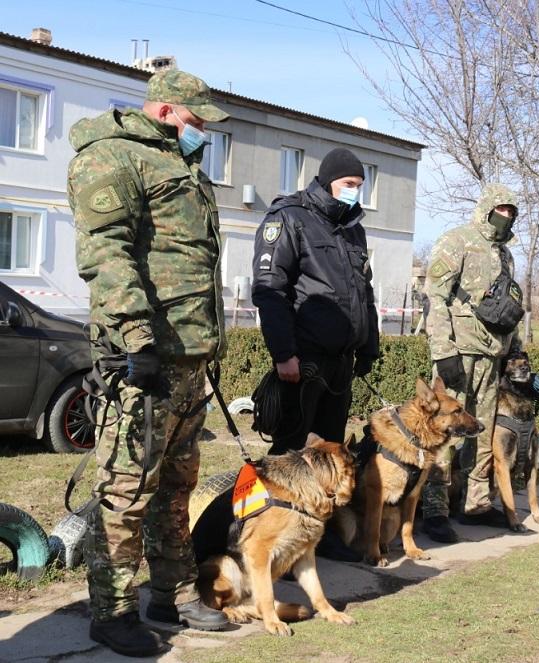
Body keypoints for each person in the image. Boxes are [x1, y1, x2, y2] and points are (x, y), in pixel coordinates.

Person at [68, 69, 232, 657]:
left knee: (177, 484)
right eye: (195, 120)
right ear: (165, 111)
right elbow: (105, 254)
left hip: (188, 356)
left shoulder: (181, 166)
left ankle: (173, 592)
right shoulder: (111, 158)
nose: (202, 133)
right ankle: (110, 611)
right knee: (127, 486)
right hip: (144, 357)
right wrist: (136, 337)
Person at [251, 147, 379, 455]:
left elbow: (364, 291)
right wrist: (284, 354)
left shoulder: (353, 229)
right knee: (290, 453)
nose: (355, 192)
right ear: (328, 181)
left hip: (340, 364)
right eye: (349, 184)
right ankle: (277, 505)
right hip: (304, 361)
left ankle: (322, 506)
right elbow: (271, 289)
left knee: (329, 454)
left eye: (359, 186)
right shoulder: (289, 218)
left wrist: (368, 347)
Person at [421, 183, 527, 542]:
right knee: (445, 432)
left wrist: (516, 351)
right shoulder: (456, 241)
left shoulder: (506, 255)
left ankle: (476, 505)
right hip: (459, 353)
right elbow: (435, 296)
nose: (507, 216)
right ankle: (434, 509)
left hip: (492, 357)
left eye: (512, 211)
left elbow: (509, 308)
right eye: (502, 209)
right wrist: (443, 351)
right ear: (486, 207)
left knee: (482, 430)